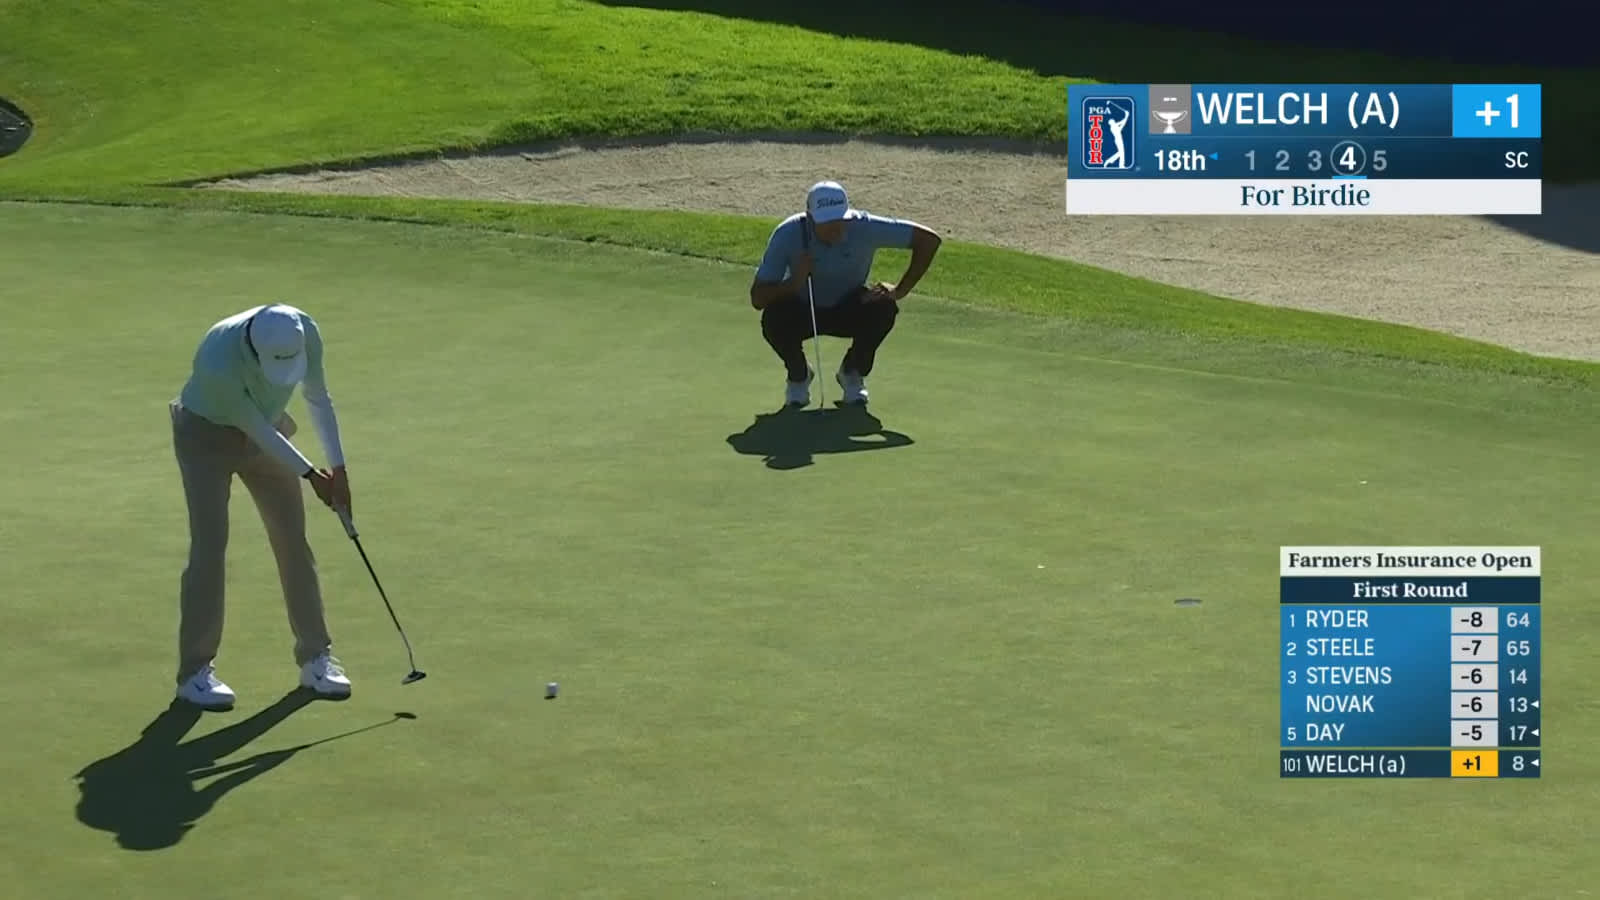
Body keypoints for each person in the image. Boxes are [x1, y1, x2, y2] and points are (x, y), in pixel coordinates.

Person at [168, 303, 353, 710]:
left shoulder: (305, 329)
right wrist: (312, 476)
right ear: (254, 351)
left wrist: (339, 469)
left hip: (267, 428)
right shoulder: (218, 359)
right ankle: (194, 673)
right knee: (210, 548)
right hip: (205, 437)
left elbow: (318, 397)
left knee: (292, 540)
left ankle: (315, 659)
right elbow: (253, 428)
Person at [750, 180, 942, 407]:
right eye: (826, 222)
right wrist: (794, 282)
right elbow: (757, 298)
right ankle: (799, 376)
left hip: (848, 306)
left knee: (884, 306)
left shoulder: (864, 226)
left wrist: (900, 290)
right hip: (804, 308)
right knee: (774, 318)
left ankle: (852, 373)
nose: (835, 227)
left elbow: (929, 240)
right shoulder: (788, 233)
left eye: (840, 219)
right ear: (809, 217)